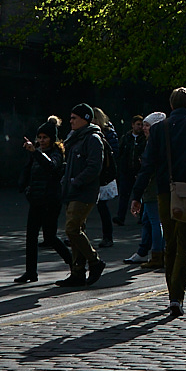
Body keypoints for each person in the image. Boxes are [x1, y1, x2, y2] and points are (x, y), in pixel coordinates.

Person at [131, 87, 186, 317]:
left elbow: (147, 165)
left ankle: (171, 294)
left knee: (171, 245)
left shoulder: (160, 129)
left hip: (165, 192)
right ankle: (177, 297)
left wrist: (136, 195)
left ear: (171, 105)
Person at [15, 121, 72, 284]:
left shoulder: (56, 153)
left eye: (45, 137)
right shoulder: (37, 152)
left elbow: (51, 166)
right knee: (31, 237)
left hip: (50, 200)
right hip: (36, 199)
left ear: (52, 139)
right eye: (39, 137)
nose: (41, 140)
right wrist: (24, 187)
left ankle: (72, 262)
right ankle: (30, 271)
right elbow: (28, 171)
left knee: (50, 236)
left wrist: (35, 153)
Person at [59, 103, 106, 289]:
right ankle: (77, 272)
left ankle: (95, 262)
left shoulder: (92, 138)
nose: (70, 121)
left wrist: (76, 181)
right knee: (76, 230)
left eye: (74, 118)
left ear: (85, 119)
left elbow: (94, 167)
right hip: (72, 191)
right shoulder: (75, 138)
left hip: (84, 192)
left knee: (72, 229)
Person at [129, 111, 166, 267]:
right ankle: (144, 251)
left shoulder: (154, 144)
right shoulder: (154, 142)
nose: (144, 128)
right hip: (151, 187)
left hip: (153, 188)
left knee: (154, 221)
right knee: (147, 220)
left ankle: (157, 254)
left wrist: (137, 194)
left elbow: (148, 169)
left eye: (147, 125)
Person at [91, 107, 119, 246]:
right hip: (98, 172)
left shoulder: (105, 133)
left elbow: (113, 153)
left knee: (102, 206)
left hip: (102, 174)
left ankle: (108, 236)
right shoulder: (106, 133)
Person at [116, 114, 145, 225]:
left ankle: (142, 217)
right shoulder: (126, 138)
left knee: (140, 195)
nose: (140, 127)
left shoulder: (144, 139)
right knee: (124, 195)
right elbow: (120, 153)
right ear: (132, 125)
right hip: (127, 171)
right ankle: (120, 217)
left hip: (139, 171)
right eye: (138, 124)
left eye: (141, 125)